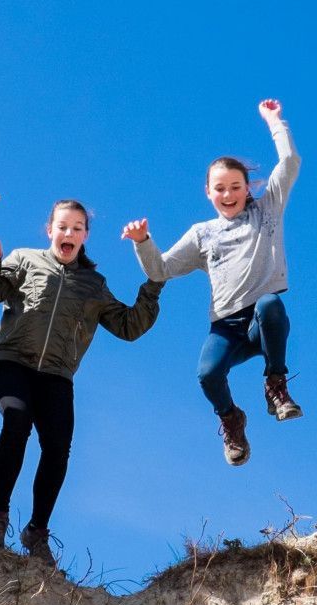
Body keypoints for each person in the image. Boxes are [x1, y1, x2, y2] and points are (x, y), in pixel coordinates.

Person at [0, 200, 164, 564]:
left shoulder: (93, 285)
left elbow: (129, 326)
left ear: (85, 235)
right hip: (12, 363)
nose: (68, 233)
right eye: (62, 226)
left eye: (76, 228)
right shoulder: (25, 260)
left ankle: (37, 531)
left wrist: (154, 284)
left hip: (57, 375)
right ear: (50, 230)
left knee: (57, 448)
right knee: (16, 421)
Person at [125, 99, 301, 467]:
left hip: (261, 324)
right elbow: (160, 270)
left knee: (271, 304)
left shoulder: (267, 209)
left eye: (235, 187)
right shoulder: (202, 234)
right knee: (207, 374)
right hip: (226, 328)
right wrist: (143, 242)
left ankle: (276, 385)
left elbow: (289, 164)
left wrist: (274, 121)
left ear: (247, 188)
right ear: (208, 192)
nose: (228, 195)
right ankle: (231, 419)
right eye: (219, 188)